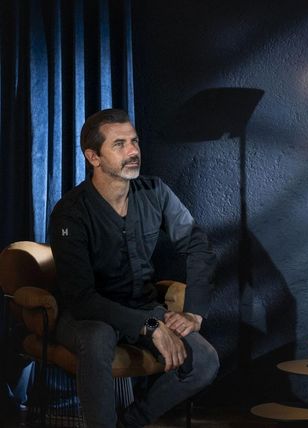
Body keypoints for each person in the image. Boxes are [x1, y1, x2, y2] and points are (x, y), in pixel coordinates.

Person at [49, 109, 219, 428]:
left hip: (143, 307)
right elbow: (82, 298)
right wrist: (151, 325)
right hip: (88, 315)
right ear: (93, 157)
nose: (133, 151)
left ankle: (130, 423)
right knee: (97, 337)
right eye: (119, 144)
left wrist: (194, 313)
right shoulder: (70, 212)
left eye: (134, 141)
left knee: (205, 361)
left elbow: (198, 245)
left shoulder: (155, 191)